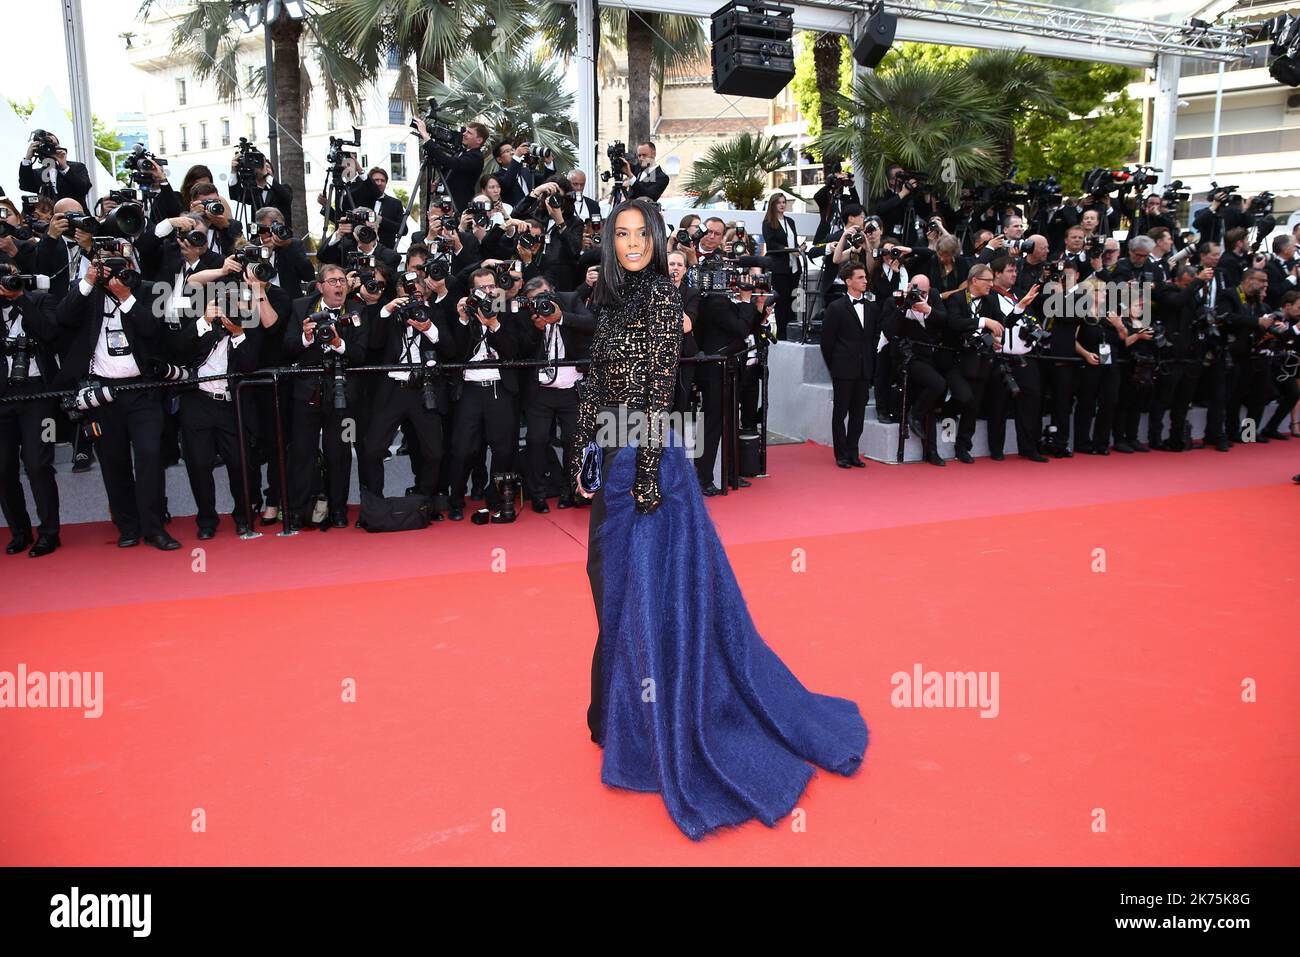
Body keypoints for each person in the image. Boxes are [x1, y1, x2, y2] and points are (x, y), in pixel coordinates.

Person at [573, 196, 867, 840]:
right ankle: (611, 714)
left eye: (640, 234)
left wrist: (645, 477)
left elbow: (655, 395)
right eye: (619, 234)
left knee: (637, 598)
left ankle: (626, 721)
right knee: (615, 593)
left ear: (655, 238)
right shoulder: (613, 301)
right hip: (617, 459)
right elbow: (598, 382)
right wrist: (585, 448)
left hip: (645, 469)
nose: (630, 244)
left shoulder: (655, 303)